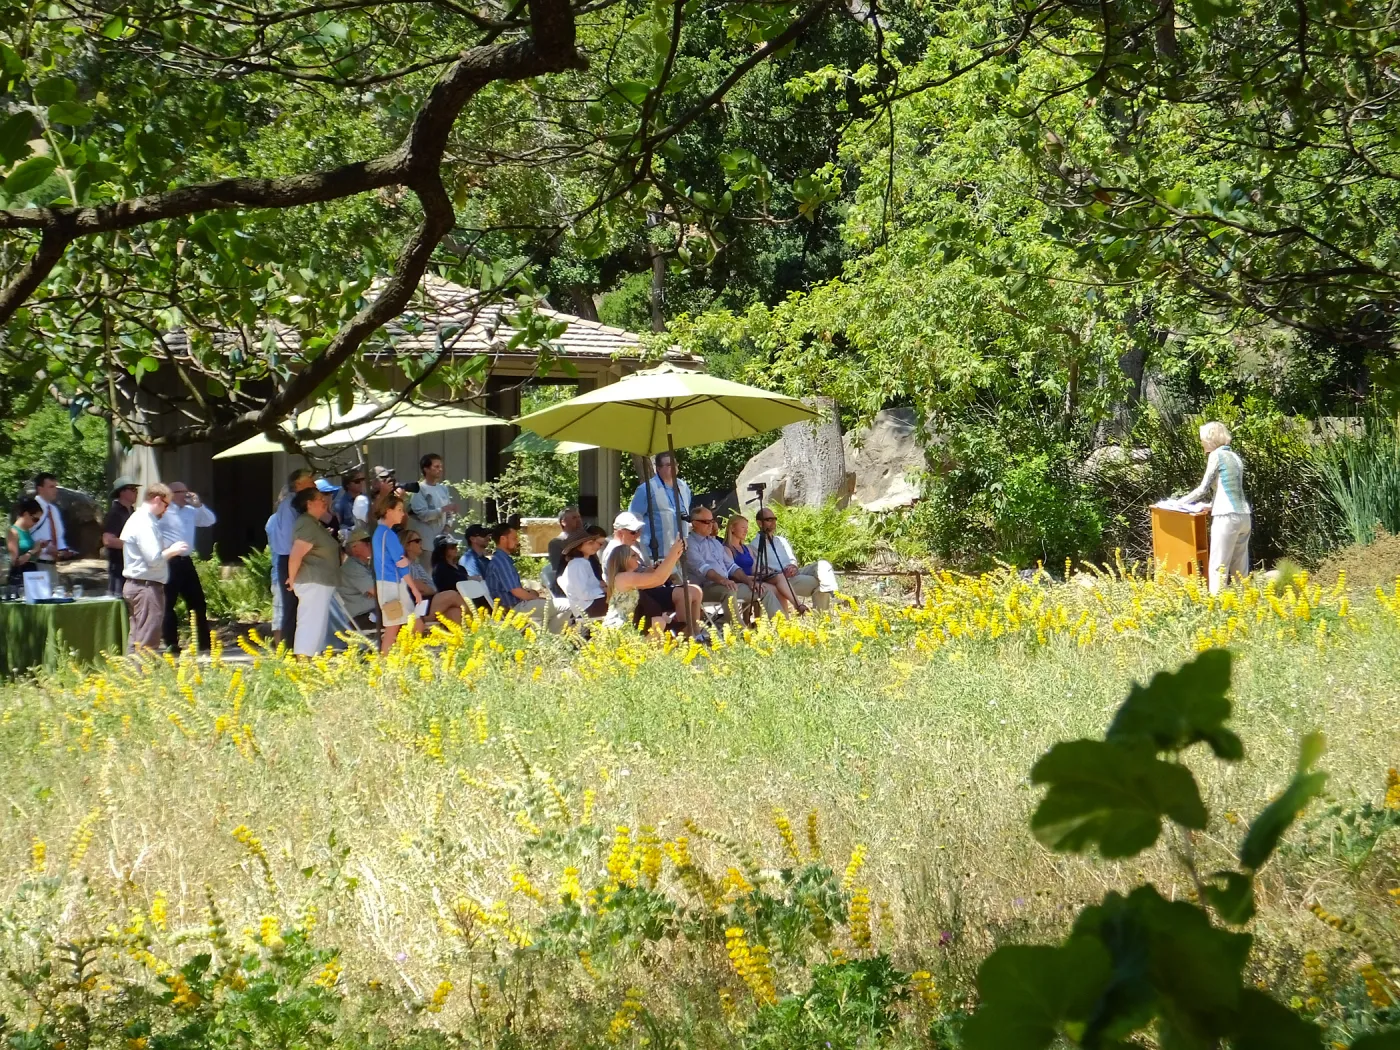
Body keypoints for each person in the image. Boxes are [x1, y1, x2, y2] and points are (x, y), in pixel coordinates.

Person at [1179, 420, 1252, 595]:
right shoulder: (1235, 457)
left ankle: (1217, 608)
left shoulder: (1216, 456)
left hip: (1226, 518)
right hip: (1244, 516)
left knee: (1218, 565)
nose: (1201, 442)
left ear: (1210, 439)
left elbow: (1203, 488)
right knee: (1240, 568)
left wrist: (1180, 503)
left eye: (1202, 439)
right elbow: (1230, 489)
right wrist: (1211, 505)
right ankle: (1243, 605)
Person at [121, 484, 189, 653]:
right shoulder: (145, 522)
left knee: (137, 637)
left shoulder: (140, 519)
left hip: (138, 585)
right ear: (157, 499)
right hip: (146, 587)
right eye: (166, 505)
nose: (166, 510)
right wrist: (173, 550)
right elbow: (154, 559)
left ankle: (131, 676)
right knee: (148, 639)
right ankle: (143, 677)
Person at [683, 506, 779, 619]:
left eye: (712, 521)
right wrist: (723, 580)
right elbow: (703, 568)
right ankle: (739, 632)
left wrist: (749, 581)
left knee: (763, 590)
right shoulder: (689, 544)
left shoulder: (715, 543)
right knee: (728, 592)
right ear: (694, 524)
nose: (711, 525)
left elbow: (732, 566)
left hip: (726, 585)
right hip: (704, 589)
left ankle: (782, 626)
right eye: (706, 522)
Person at [157, 481, 217, 654]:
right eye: (182, 492)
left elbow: (209, 521)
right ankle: (171, 642)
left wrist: (199, 505)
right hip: (169, 560)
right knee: (168, 603)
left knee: (198, 602)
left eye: (187, 491)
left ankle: (204, 642)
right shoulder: (164, 512)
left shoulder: (191, 511)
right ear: (172, 494)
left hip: (186, 560)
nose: (186, 495)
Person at [285, 486, 343, 657]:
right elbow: (296, 554)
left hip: (320, 582)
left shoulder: (314, 523)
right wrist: (292, 578)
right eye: (319, 498)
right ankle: (303, 661)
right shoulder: (306, 523)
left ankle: (310, 661)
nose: (324, 500)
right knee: (310, 623)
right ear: (309, 503)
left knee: (317, 624)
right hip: (312, 581)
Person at [752, 508, 837, 613]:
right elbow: (760, 570)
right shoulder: (755, 545)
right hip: (782, 580)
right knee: (820, 585)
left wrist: (793, 566)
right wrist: (779, 573)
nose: (773, 522)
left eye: (775, 519)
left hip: (795, 573)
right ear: (760, 523)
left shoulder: (781, 540)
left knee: (823, 565)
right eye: (769, 519)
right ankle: (821, 618)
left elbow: (792, 559)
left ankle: (831, 590)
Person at [268, 468, 315, 646]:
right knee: (292, 605)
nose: (314, 484)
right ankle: (288, 648)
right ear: (298, 484)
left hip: (292, 557)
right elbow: (292, 538)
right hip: (290, 558)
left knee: (297, 605)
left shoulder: (295, 503)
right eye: (309, 481)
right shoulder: (291, 505)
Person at [371, 493, 423, 653]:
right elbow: (401, 564)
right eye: (399, 509)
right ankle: (412, 658)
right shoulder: (389, 534)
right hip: (393, 585)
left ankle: (390, 665)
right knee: (411, 624)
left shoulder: (378, 533)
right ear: (388, 511)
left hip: (385, 584)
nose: (403, 513)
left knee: (394, 627)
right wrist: (414, 589)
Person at [604, 536, 690, 631]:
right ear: (623, 559)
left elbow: (659, 580)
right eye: (633, 555)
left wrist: (676, 554)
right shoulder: (622, 578)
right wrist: (673, 552)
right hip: (619, 626)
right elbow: (657, 578)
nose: (637, 557)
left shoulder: (626, 577)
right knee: (658, 623)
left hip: (630, 622)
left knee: (659, 621)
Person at [628, 451, 691, 562]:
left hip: (679, 552)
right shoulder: (647, 489)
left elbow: (685, 514)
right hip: (655, 553)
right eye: (667, 465)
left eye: (674, 464)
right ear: (658, 468)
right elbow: (633, 519)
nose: (672, 467)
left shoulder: (683, 487)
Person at [724, 513, 791, 617]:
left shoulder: (746, 548)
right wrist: (752, 578)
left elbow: (755, 569)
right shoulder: (727, 549)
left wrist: (765, 572)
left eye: (747, 528)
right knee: (771, 590)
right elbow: (731, 573)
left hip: (752, 580)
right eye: (742, 527)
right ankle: (781, 621)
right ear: (732, 528)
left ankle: (786, 620)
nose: (746, 530)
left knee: (776, 582)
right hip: (739, 582)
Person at [485, 522, 550, 623]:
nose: (517, 541)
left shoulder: (502, 559)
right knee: (563, 606)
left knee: (556, 607)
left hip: (516, 606)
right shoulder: (501, 561)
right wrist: (537, 599)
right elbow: (516, 591)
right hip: (513, 610)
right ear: (503, 539)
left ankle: (549, 636)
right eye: (514, 538)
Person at [400, 529, 466, 625]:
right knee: (451, 595)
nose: (421, 544)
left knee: (455, 612)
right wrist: (434, 591)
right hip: (420, 605)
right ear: (407, 545)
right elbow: (419, 586)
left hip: (429, 602)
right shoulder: (405, 564)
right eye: (417, 541)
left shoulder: (416, 565)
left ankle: (461, 638)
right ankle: (481, 620)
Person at [30, 472, 76, 588]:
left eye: (55, 486)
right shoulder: (31, 508)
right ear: (40, 489)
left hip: (53, 564)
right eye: (51, 487)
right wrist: (45, 549)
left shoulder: (53, 510)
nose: (55, 490)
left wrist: (64, 550)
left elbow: (59, 536)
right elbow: (25, 535)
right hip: (37, 564)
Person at [408, 454, 456, 558]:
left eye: (441, 466)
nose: (440, 469)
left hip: (442, 542)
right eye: (436, 467)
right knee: (428, 573)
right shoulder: (419, 489)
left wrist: (446, 529)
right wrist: (443, 509)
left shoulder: (443, 489)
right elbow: (423, 515)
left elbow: (449, 513)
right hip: (427, 544)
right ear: (426, 469)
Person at [559, 526, 610, 619]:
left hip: (589, 605)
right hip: (586, 608)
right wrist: (604, 590)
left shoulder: (583, 562)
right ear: (578, 547)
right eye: (590, 543)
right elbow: (584, 594)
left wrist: (601, 585)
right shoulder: (578, 564)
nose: (596, 546)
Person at [102, 477, 139, 597]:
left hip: (133, 566)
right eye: (132, 489)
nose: (136, 492)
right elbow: (108, 540)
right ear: (122, 492)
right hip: (119, 567)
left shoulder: (134, 513)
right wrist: (134, 545)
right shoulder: (114, 513)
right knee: (119, 601)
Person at [337, 529, 379, 628]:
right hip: (362, 617)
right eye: (366, 543)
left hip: (372, 612)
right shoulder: (353, 567)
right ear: (354, 548)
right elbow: (378, 592)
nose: (371, 545)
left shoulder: (364, 565)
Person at [7, 498, 42, 586]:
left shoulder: (27, 531)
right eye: (35, 519)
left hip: (32, 573)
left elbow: (33, 558)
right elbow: (15, 561)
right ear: (26, 514)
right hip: (20, 577)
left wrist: (39, 548)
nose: (36, 523)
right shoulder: (13, 532)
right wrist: (33, 550)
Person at [547, 506, 584, 578]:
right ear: (563, 522)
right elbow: (558, 570)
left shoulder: (586, 540)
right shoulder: (557, 543)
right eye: (574, 518)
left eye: (579, 517)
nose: (578, 520)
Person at [334, 468, 365, 534]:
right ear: (347, 484)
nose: (361, 483)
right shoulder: (340, 504)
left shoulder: (368, 499)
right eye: (357, 481)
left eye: (363, 480)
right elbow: (338, 526)